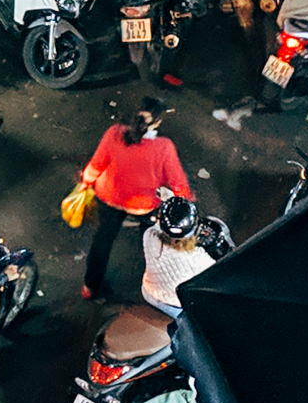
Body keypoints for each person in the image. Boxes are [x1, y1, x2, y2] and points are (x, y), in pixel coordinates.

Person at [79, 97, 192, 300]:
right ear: (157, 122)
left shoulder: (115, 133)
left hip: (109, 199)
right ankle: (154, 288)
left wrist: (85, 183)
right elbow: (178, 182)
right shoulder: (164, 147)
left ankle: (90, 287)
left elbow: (96, 165)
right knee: (151, 245)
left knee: (101, 243)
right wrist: (186, 202)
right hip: (144, 207)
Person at [140, 188, 214, 315]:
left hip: (151, 293)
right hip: (177, 303)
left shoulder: (149, 236)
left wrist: (169, 201)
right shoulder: (200, 256)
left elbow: (160, 226)